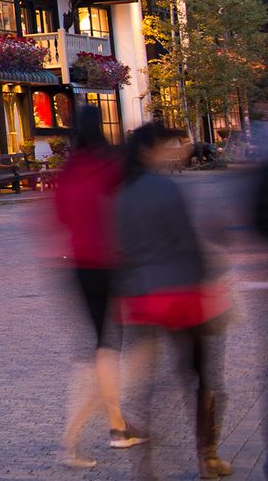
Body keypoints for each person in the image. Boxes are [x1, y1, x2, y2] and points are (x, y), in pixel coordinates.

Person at [116, 123, 232, 479]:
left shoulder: (121, 194)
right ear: (150, 150)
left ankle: (146, 460)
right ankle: (208, 456)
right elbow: (188, 244)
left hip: (141, 297)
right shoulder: (166, 188)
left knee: (147, 382)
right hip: (181, 294)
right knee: (202, 375)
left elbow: (120, 250)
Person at [52, 106, 142, 468]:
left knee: (100, 345)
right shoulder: (111, 167)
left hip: (77, 267)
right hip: (109, 263)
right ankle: (96, 432)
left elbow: (60, 216)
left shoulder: (68, 173)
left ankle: (118, 423)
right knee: (109, 350)